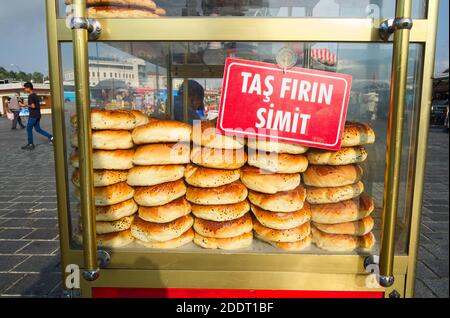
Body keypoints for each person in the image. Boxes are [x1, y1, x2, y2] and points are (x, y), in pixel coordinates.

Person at [21, 82, 53, 150]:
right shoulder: (35, 95)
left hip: (33, 115)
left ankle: (30, 144)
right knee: (38, 129)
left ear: (28, 88)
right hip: (37, 115)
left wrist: (25, 105)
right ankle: (51, 137)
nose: (24, 89)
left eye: (25, 88)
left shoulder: (30, 96)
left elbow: (33, 106)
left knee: (28, 128)